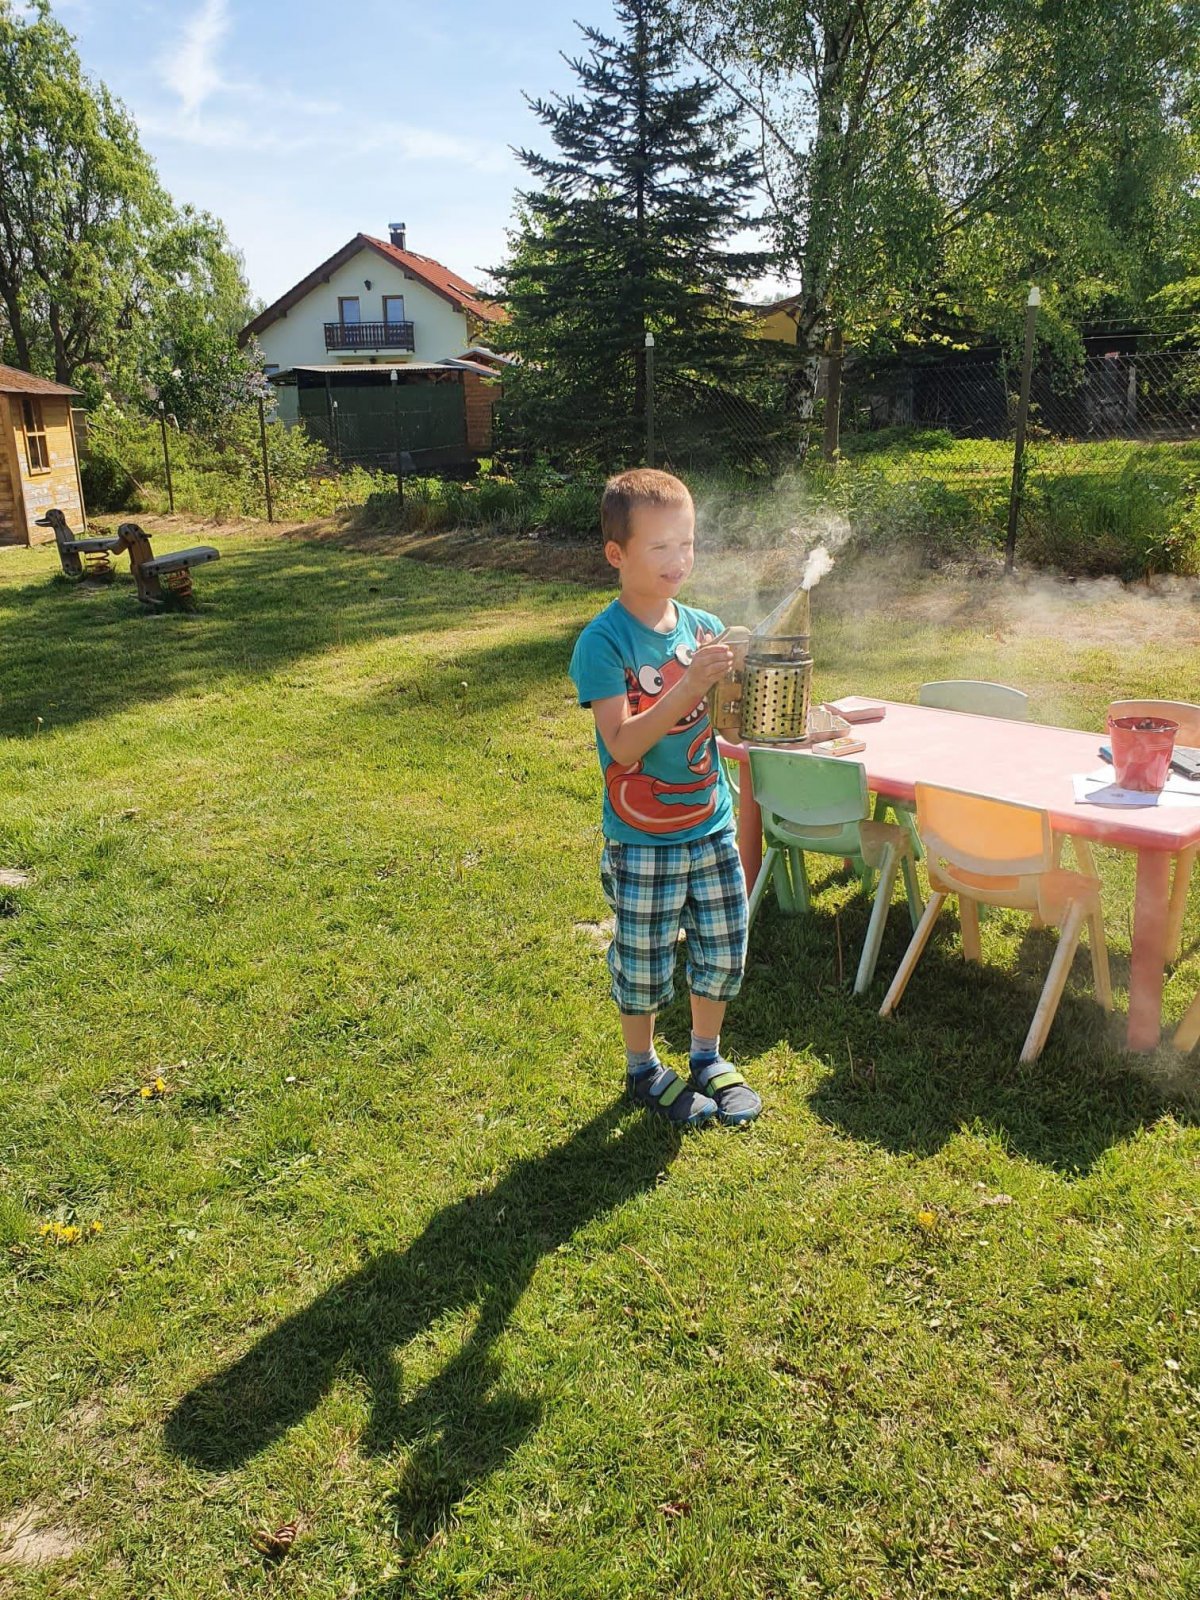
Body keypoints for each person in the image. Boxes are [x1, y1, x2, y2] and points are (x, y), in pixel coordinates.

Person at [568, 468, 761, 1129]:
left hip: (711, 824)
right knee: (645, 960)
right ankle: (643, 1068)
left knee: (723, 947)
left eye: (687, 543)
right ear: (616, 554)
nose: (679, 558)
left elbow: (729, 729)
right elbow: (623, 744)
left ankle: (707, 1055)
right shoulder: (604, 642)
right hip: (643, 838)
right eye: (660, 547)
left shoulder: (704, 629)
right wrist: (688, 685)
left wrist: (754, 690)